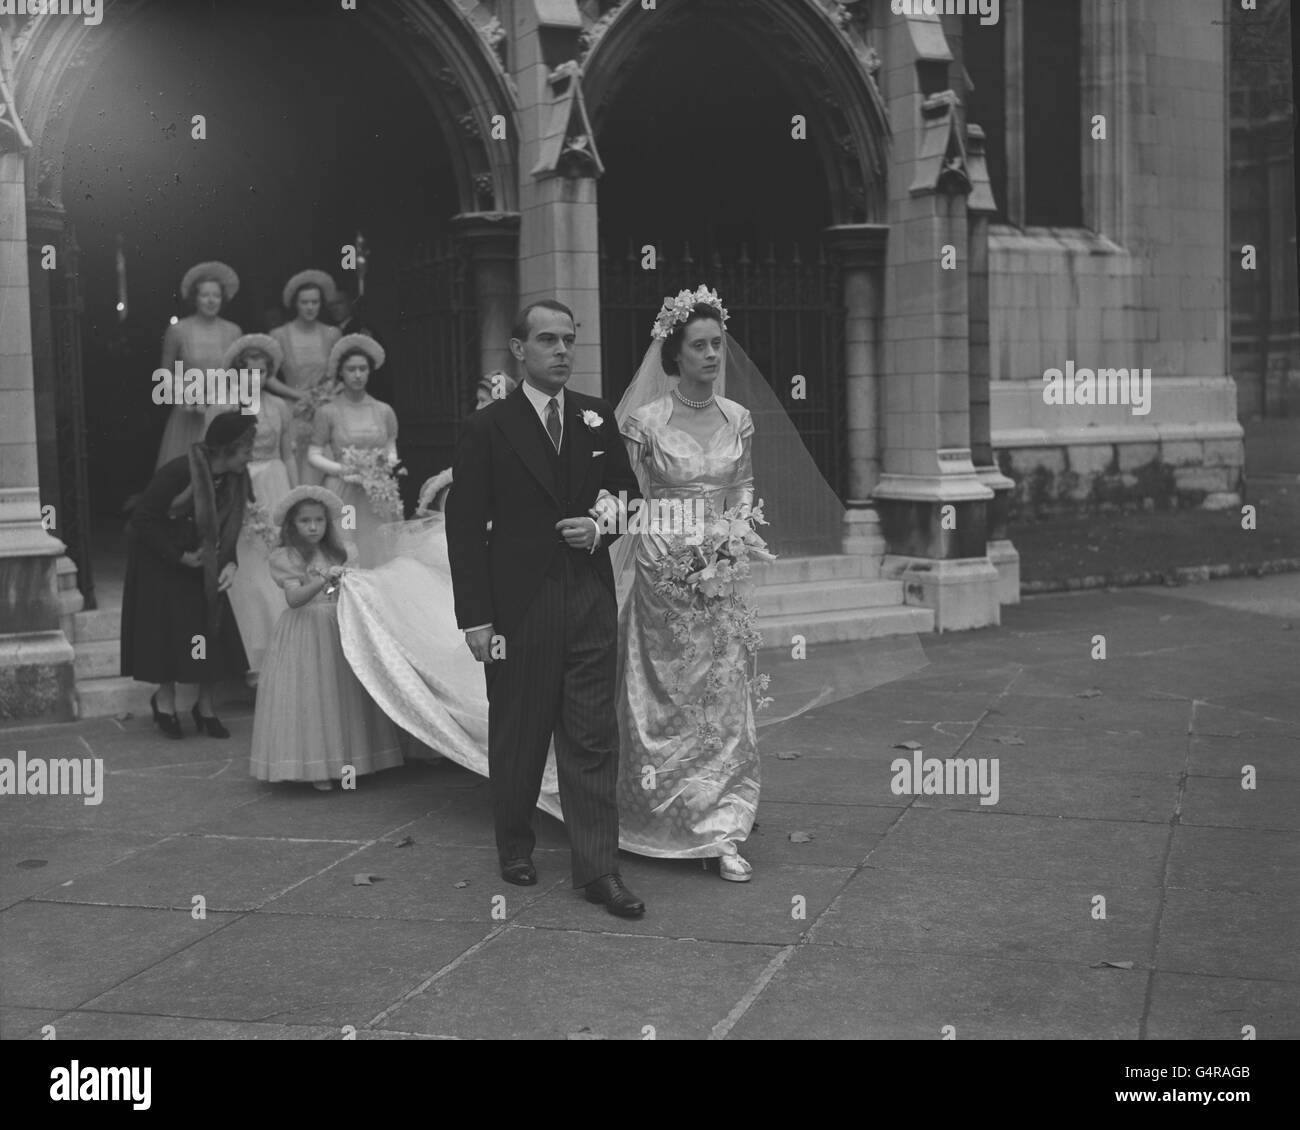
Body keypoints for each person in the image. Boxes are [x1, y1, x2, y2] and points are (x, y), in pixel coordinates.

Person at [444, 300, 647, 917]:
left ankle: (598, 869)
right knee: (519, 729)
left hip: (587, 595)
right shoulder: (488, 426)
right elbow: (463, 527)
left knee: (592, 736)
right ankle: (515, 845)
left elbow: (627, 497)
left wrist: (598, 526)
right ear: (518, 350)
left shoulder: (594, 416)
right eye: (549, 340)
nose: (562, 351)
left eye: (569, 341)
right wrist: (476, 619)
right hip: (516, 606)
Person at [612, 290, 761, 880]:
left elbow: (743, 486)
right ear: (673, 354)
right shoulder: (644, 423)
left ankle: (721, 821)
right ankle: (650, 814)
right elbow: (623, 498)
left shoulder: (738, 418)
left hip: (721, 571)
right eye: (697, 346)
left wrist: (735, 536)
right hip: (659, 573)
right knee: (664, 693)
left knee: (721, 696)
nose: (710, 354)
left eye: (716, 344)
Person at [249, 486, 402, 790]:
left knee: (339, 693)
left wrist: (344, 580)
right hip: (305, 630)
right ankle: (316, 766)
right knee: (312, 693)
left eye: (319, 520)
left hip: (339, 626)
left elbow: (355, 587)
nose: (313, 527)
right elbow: (294, 598)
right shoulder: (286, 557)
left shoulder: (342, 552)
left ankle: (347, 761)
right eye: (305, 521)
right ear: (292, 525)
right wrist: (322, 579)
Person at [122, 412, 256, 739]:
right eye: (246, 450)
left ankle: (205, 707)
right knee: (171, 631)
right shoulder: (179, 471)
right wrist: (180, 557)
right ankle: (165, 702)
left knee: (211, 631)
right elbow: (142, 521)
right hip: (164, 560)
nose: (250, 456)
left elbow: (229, 527)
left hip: (206, 562)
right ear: (226, 449)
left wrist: (230, 563)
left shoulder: (236, 478)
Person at [205, 334, 297, 677]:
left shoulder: (278, 406)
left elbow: (288, 452)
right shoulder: (223, 403)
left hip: (274, 483)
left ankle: (282, 652)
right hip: (238, 485)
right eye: (248, 372)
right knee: (246, 568)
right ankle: (252, 656)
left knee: (276, 564)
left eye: (261, 373)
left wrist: (295, 493)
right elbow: (210, 453)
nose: (254, 379)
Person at [308, 334, 400, 568]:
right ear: (341, 373)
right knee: (346, 542)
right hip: (343, 491)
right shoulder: (328, 411)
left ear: (370, 371)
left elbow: (390, 445)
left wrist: (383, 466)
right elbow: (314, 453)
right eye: (351, 369)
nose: (357, 375)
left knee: (378, 545)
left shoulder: (384, 410)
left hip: (376, 492)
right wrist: (342, 469)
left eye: (363, 369)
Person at [155, 261, 242, 468]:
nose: (211, 301)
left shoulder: (233, 331)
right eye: (205, 295)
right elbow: (164, 375)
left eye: (216, 296)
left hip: (222, 412)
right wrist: (187, 394)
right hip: (189, 416)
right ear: (195, 298)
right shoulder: (178, 331)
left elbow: (239, 374)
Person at [268, 270, 342, 485]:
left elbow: (336, 373)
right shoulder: (279, 334)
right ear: (295, 304)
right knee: (297, 467)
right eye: (304, 302)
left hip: (324, 407)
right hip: (293, 409)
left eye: (315, 302)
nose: (310, 307)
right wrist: (298, 394)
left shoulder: (332, 333)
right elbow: (269, 377)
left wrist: (321, 394)